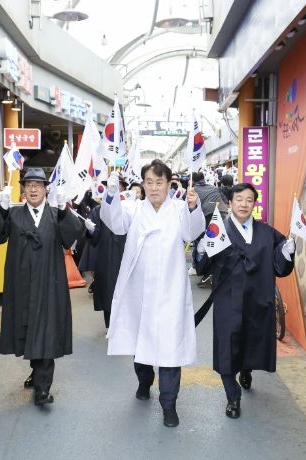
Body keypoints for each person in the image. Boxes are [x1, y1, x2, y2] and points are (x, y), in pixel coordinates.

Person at [101, 159, 204, 428]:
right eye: (149, 182)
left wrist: (194, 207)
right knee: (141, 342)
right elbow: (115, 223)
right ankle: (144, 381)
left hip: (170, 289)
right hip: (139, 289)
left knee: (170, 348)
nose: (154, 187)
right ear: (143, 184)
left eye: (160, 182)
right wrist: (111, 195)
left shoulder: (179, 209)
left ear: (169, 184)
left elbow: (192, 232)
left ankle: (169, 404)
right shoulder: (133, 207)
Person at [195, 182, 295, 419]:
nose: (243, 204)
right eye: (238, 199)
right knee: (226, 345)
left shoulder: (266, 232)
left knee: (252, 339)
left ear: (254, 204)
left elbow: (279, 262)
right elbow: (202, 267)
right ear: (230, 202)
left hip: (257, 297)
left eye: (249, 200)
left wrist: (286, 251)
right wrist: (201, 250)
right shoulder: (219, 230)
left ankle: (247, 369)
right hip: (227, 299)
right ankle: (233, 396)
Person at [0, 168, 83, 406]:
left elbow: (72, 236)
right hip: (21, 285)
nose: (33, 189)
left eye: (38, 185)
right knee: (28, 328)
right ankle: (35, 371)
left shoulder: (55, 214)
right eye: (29, 185)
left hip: (49, 285)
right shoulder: (14, 213)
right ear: (23, 189)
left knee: (46, 332)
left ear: (46, 189)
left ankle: (42, 388)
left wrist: (64, 210)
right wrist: (2, 210)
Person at [83, 181, 129, 328]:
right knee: (108, 291)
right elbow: (95, 238)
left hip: (127, 254)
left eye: (118, 187)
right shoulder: (99, 210)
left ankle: (127, 326)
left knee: (127, 292)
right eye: (111, 188)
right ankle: (109, 325)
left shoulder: (129, 208)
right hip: (107, 256)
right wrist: (91, 230)